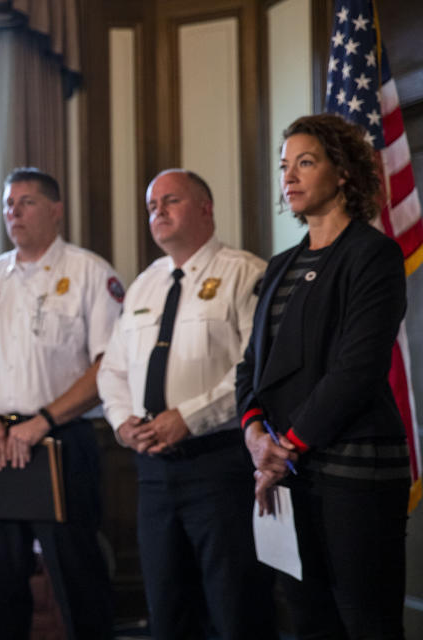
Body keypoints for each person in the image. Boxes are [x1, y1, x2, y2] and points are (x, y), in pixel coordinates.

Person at [236, 113, 410, 639]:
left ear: (343, 174)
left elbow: (355, 371)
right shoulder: (279, 265)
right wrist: (253, 436)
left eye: (305, 163)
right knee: (309, 622)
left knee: (366, 624)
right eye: (285, 166)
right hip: (288, 476)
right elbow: (252, 368)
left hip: (354, 472)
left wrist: (283, 447)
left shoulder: (372, 254)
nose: (288, 176)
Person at [97, 169, 276, 639]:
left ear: (205, 207)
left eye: (170, 201)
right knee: (166, 609)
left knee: (236, 607)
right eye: (152, 206)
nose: (158, 212)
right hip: (153, 474)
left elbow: (254, 370)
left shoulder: (246, 272)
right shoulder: (143, 284)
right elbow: (112, 370)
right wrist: (122, 423)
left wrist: (191, 418)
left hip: (218, 467)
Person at [0, 167, 120, 640]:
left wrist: (42, 421)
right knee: (0, 589)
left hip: (60, 440)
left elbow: (109, 367)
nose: (13, 212)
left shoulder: (89, 272)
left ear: (56, 210)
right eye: (8, 203)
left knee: (78, 582)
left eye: (26, 202)